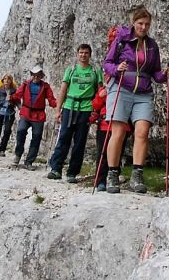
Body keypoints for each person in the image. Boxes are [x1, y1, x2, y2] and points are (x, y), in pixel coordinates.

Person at [102, 8, 169, 194]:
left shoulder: (152, 45)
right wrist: (117, 67)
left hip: (143, 92)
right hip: (120, 88)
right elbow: (107, 63)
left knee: (142, 132)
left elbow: (155, 73)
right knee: (118, 133)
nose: (143, 27)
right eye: (140, 23)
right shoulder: (122, 41)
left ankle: (137, 175)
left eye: (147, 24)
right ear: (134, 23)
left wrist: (164, 75)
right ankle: (112, 174)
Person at [47, 44, 102, 182]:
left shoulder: (95, 71)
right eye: (81, 52)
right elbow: (63, 90)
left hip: (86, 109)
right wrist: (58, 110)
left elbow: (100, 92)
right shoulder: (71, 70)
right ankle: (56, 169)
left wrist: (97, 111)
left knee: (80, 142)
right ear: (77, 54)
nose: (83, 55)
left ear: (90, 55)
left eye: (86, 53)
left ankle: (72, 173)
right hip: (69, 107)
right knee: (64, 138)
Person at [90, 75, 131, 191]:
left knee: (118, 153)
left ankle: (114, 178)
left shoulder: (126, 90)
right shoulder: (103, 90)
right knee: (102, 154)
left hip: (121, 125)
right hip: (104, 125)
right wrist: (100, 96)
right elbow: (94, 105)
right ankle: (101, 181)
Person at [10, 67, 57, 167]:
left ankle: (29, 161)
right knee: (21, 131)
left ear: (41, 76)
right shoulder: (26, 84)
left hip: (39, 115)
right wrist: (11, 97)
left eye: (38, 75)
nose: (36, 76)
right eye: (34, 74)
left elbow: (51, 99)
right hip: (26, 112)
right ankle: (18, 156)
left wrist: (57, 103)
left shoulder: (45, 86)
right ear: (32, 74)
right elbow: (18, 95)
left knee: (36, 137)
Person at [0, 74, 17, 158]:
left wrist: (13, 102)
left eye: (8, 79)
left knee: (7, 131)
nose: (6, 81)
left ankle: (2, 149)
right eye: (4, 79)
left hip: (9, 113)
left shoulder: (14, 91)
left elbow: (17, 101)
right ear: (2, 81)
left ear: (11, 81)